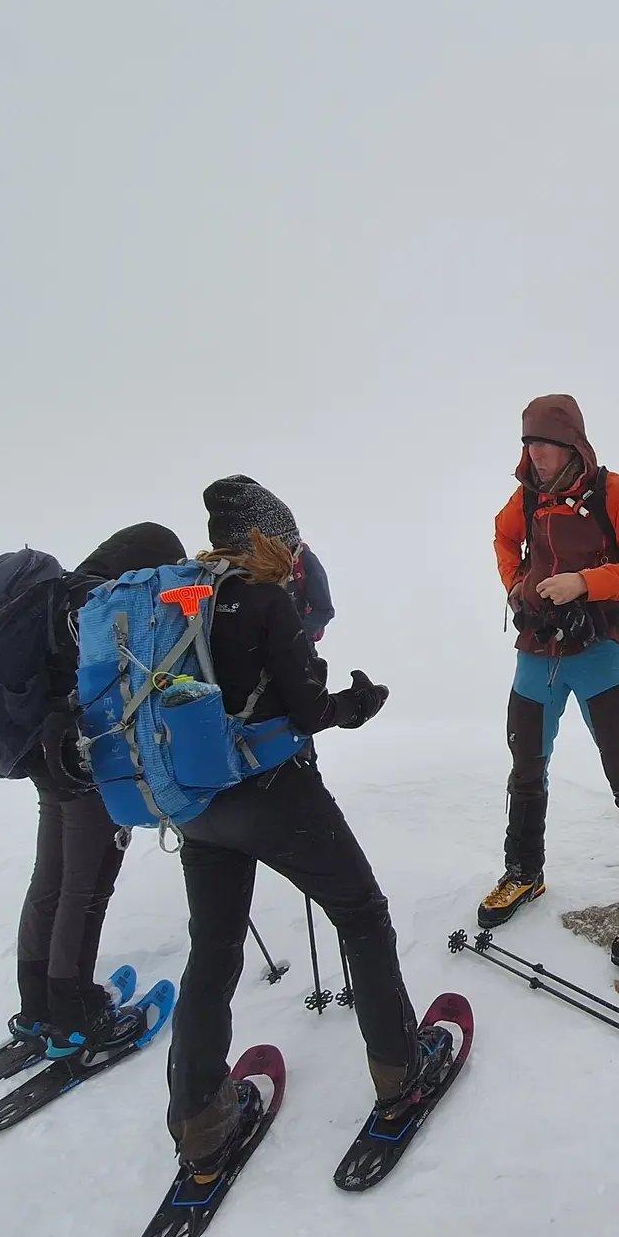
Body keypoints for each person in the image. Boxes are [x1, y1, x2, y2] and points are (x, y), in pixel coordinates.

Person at [164, 476, 437, 1174]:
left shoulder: (181, 599)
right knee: (363, 915)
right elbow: (310, 710)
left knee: (213, 950)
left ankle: (200, 1121)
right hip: (273, 795)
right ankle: (400, 1075)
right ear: (269, 539)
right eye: (286, 540)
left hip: (197, 808)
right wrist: (358, 702)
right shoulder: (264, 602)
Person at [478, 394, 619, 967]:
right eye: (528, 442)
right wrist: (516, 583)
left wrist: (584, 583)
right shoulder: (527, 496)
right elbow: (502, 536)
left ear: (573, 444)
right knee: (526, 765)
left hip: (599, 656)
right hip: (536, 653)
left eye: (546, 442)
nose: (535, 452)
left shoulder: (613, 494)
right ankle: (524, 872)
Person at [12, 522, 189, 1055]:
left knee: (52, 878)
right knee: (85, 889)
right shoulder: (99, 604)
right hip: (86, 763)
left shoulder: (53, 598)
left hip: (46, 759)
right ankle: (76, 1014)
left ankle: (36, 1004)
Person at [201, 474, 334, 642]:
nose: (292, 557)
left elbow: (324, 609)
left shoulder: (304, 559)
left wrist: (293, 638)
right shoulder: (214, 579)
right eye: (284, 547)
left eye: (292, 547)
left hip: (295, 648)